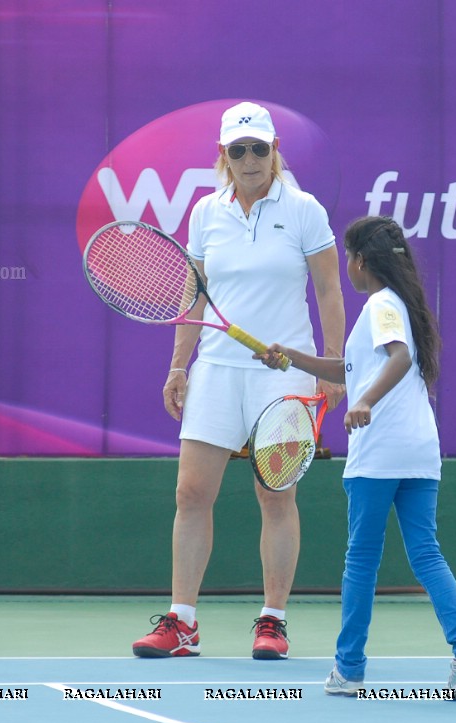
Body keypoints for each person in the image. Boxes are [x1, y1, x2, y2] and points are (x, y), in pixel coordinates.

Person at [131, 101, 345, 660]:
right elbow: (194, 295)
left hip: (284, 377)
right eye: (238, 150)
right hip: (217, 372)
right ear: (222, 156)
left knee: (275, 494)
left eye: (259, 148)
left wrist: (331, 363)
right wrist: (178, 366)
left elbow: (328, 290)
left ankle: (272, 621)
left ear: (276, 152)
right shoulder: (206, 213)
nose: (250, 159)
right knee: (191, 493)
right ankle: (182, 624)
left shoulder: (304, 210)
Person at [259, 216, 456, 700]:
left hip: (379, 452)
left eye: (347, 259)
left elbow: (398, 357)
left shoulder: (382, 305)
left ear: (361, 260)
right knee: (426, 553)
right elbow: (350, 366)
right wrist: (291, 357)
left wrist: (364, 402)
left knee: (361, 560)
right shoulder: (400, 306)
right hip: (420, 452)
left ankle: (349, 669)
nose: (347, 268)